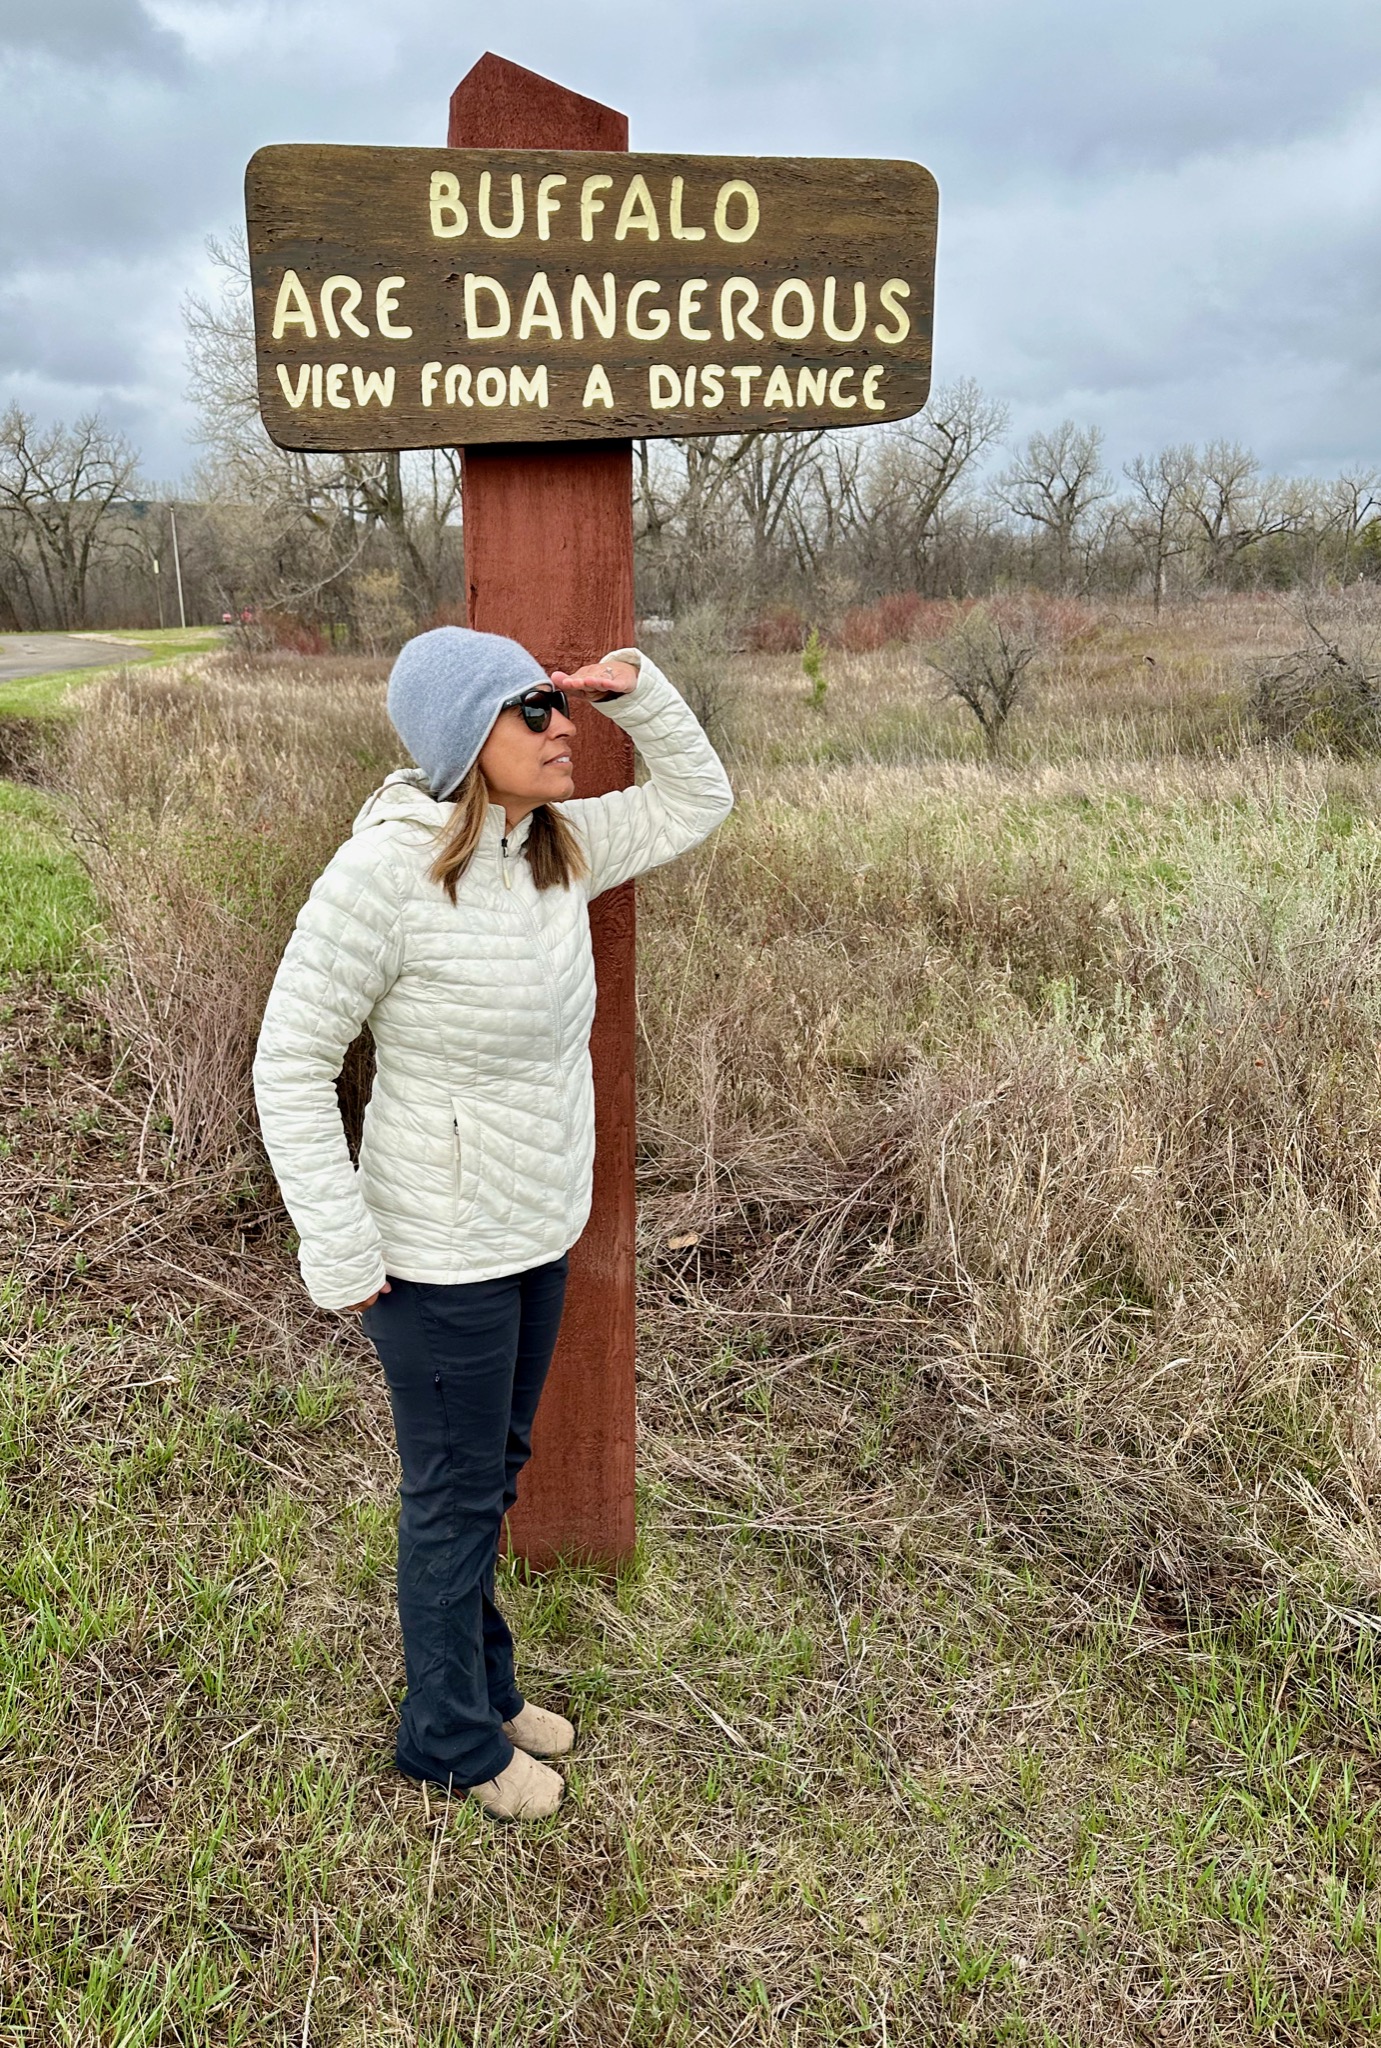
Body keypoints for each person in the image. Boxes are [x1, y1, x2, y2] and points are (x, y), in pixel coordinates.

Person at [252, 626, 733, 1821]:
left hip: (532, 1230)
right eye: (536, 710)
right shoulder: (383, 872)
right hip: (433, 1251)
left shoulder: (553, 848)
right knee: (456, 1493)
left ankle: (483, 1685)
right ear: (471, 734)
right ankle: (448, 1740)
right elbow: (289, 1060)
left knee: (490, 1476)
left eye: (557, 708)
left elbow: (698, 797)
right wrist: (343, 1248)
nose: (563, 726)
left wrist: (642, 692)